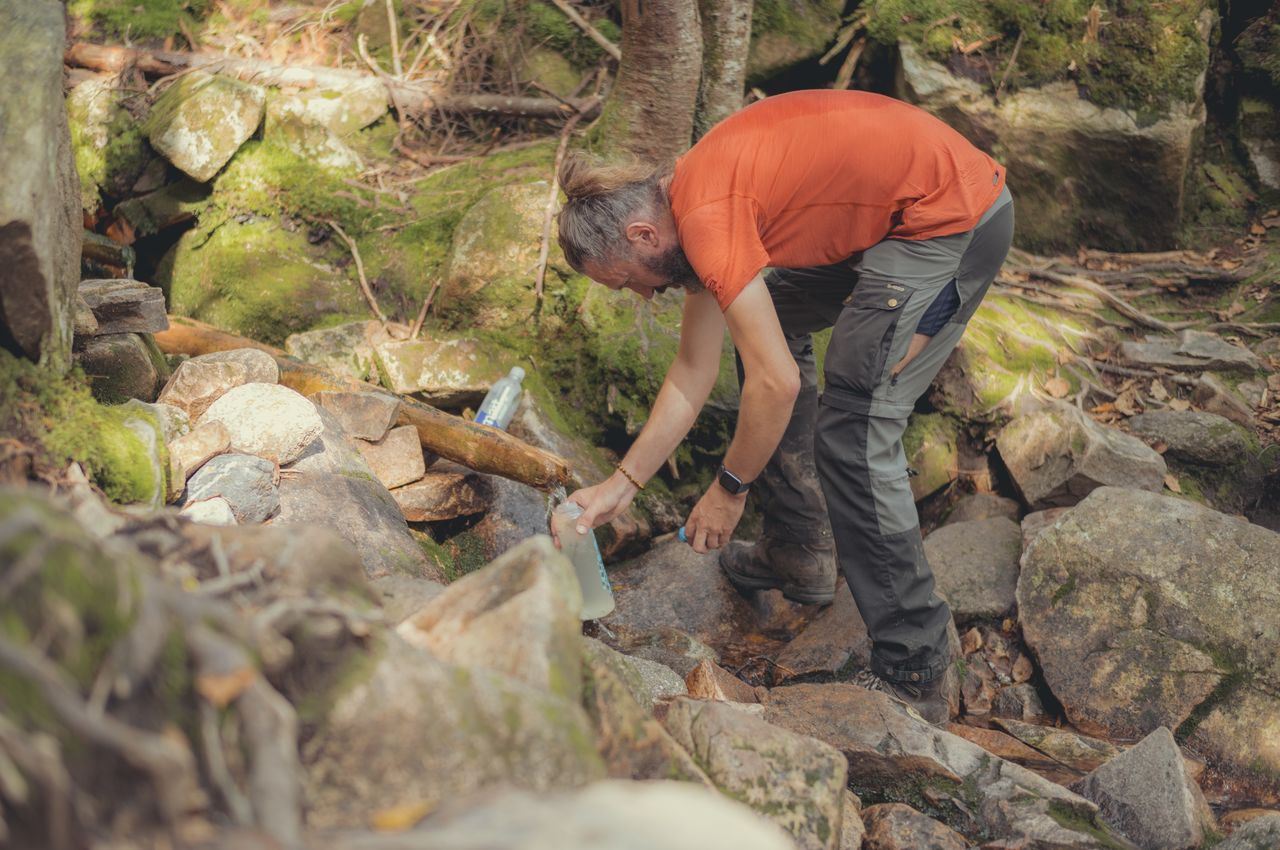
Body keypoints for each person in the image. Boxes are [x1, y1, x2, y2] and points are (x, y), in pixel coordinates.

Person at [556, 89, 1014, 725]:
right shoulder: (689, 207)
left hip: (951, 221)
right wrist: (620, 485)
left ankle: (916, 667)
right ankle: (802, 553)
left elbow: (778, 386)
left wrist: (729, 487)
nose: (640, 296)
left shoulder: (707, 218)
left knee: (855, 429)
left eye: (629, 279)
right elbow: (692, 373)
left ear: (642, 234)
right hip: (895, 223)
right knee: (767, 329)